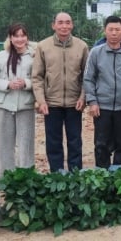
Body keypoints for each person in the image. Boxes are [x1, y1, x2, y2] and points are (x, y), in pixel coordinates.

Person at [32, 12, 89, 172]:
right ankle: (57, 176)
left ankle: (75, 176)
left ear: (72, 25)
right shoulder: (43, 46)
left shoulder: (82, 46)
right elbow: (37, 77)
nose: (64, 26)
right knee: (53, 142)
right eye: (60, 22)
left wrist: (83, 97)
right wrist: (41, 100)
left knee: (75, 141)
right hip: (51, 103)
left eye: (67, 22)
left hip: (74, 103)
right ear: (53, 25)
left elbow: (87, 76)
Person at [84, 16, 121, 167]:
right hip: (102, 108)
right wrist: (92, 101)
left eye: (117, 29)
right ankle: (102, 179)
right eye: (111, 29)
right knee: (102, 146)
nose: (114, 33)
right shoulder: (96, 53)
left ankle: (120, 177)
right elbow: (88, 79)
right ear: (105, 31)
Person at [0, 23, 36, 178]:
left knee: (26, 145)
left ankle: (26, 179)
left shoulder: (34, 56)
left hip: (25, 105)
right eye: (16, 36)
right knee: (5, 145)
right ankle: (5, 179)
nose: (20, 39)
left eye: (23, 35)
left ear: (27, 37)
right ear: (10, 38)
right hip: (4, 105)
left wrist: (26, 83)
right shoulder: (1, 56)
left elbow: (40, 79)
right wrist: (8, 84)